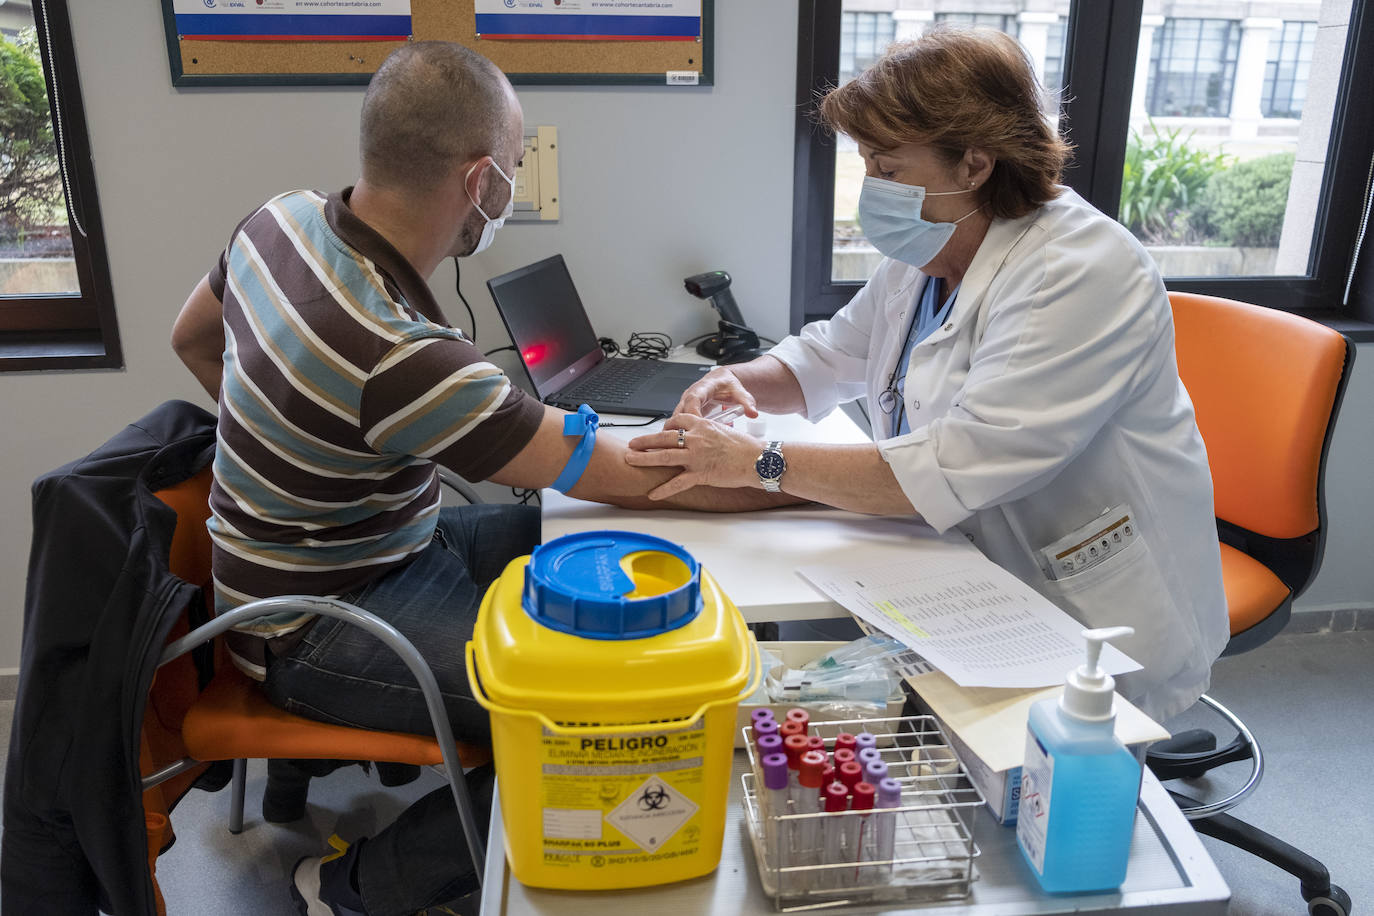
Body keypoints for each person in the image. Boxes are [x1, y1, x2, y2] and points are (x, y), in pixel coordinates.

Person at [171, 41, 783, 916]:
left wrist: (299, 435)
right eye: (518, 167)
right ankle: (343, 888)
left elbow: (190, 338)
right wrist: (789, 472)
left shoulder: (279, 220)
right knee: (589, 728)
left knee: (591, 540)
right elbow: (622, 476)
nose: (514, 189)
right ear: (482, 180)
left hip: (334, 562)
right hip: (314, 624)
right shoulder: (403, 357)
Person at [625, 27, 1228, 725]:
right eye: (867, 166)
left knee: (1055, 777)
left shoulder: (1080, 271)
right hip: (966, 570)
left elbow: (954, 465)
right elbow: (833, 353)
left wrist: (757, 460)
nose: (871, 189)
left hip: (1080, 593)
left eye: (887, 168)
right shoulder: (931, 253)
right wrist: (746, 383)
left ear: (973, 163)